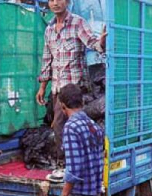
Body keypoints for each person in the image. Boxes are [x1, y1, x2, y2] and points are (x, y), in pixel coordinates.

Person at [36, 0, 106, 157]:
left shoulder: (77, 23)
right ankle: (66, 161)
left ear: (67, 2)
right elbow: (47, 60)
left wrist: (101, 43)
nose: (55, 3)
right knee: (59, 126)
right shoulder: (49, 30)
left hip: (75, 87)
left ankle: (72, 162)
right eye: (51, 0)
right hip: (57, 88)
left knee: (66, 124)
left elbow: (92, 42)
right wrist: (42, 87)